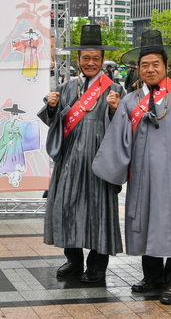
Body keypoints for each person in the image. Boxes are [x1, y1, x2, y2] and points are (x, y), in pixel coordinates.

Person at [91, 30, 171, 305]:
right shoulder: (130, 101)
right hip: (142, 178)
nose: (150, 69)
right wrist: (112, 111)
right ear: (138, 69)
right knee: (146, 226)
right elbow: (118, 136)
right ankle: (152, 278)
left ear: (166, 68)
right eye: (145, 65)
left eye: (156, 64)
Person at [37, 24, 124, 283]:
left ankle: (97, 266)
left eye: (96, 59)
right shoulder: (66, 88)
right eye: (85, 58)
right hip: (70, 162)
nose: (91, 63)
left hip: (100, 164)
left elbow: (125, 126)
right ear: (78, 60)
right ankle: (73, 260)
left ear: (102, 61)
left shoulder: (115, 89)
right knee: (67, 208)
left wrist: (113, 110)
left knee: (99, 212)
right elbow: (53, 123)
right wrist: (52, 108)